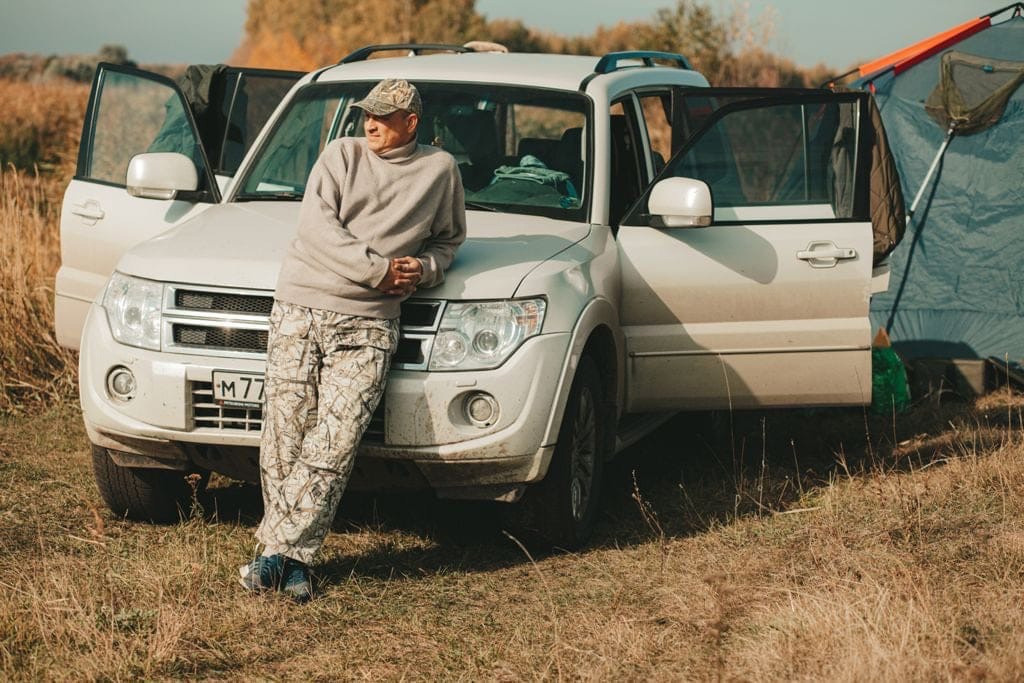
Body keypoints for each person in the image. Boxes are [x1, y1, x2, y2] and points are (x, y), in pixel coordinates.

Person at [239, 79, 466, 601]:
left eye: (384, 116)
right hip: (300, 309)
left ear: (412, 121)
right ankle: (291, 561)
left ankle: (275, 553)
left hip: (369, 325)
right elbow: (318, 228)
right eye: (368, 113)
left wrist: (425, 267)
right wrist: (378, 270)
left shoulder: (439, 170)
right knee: (285, 435)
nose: (371, 123)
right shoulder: (341, 155)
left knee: (335, 443)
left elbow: (449, 239)